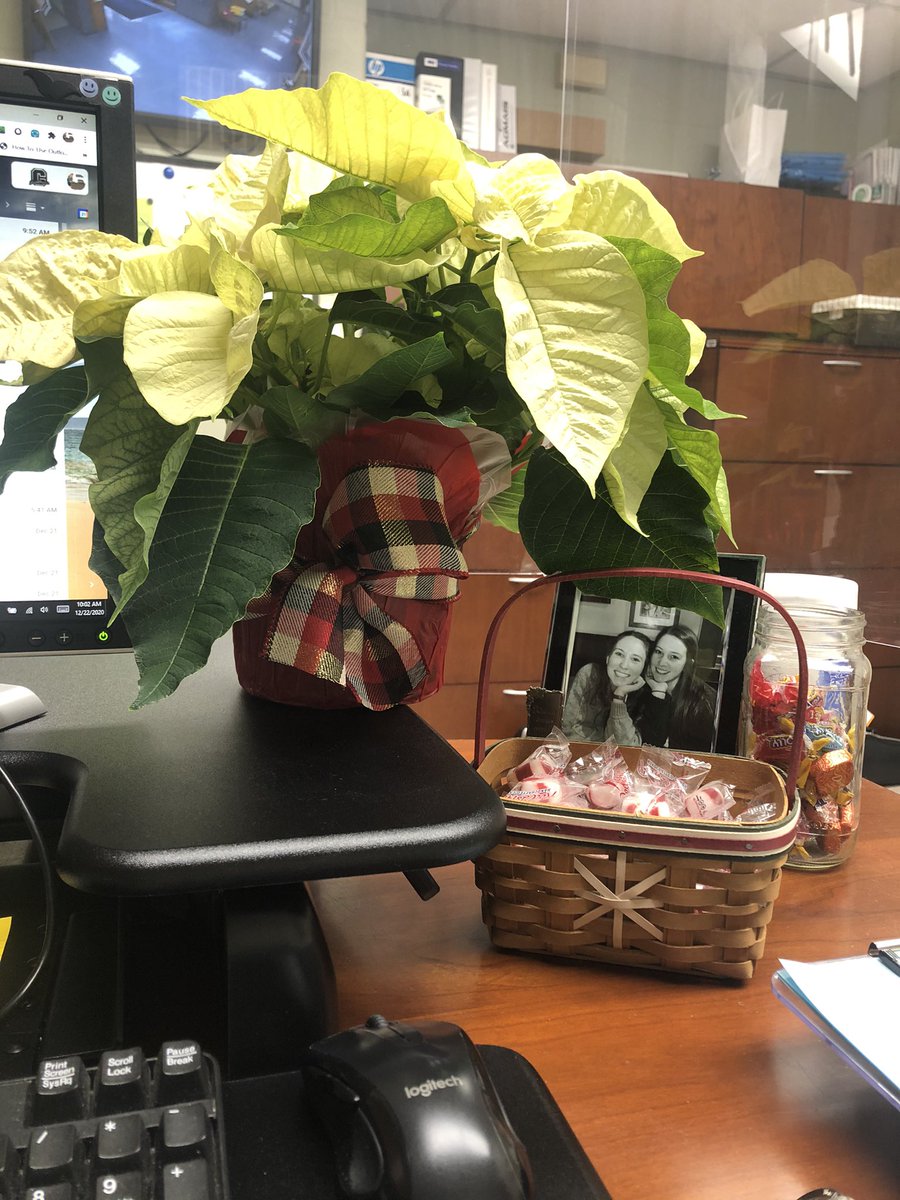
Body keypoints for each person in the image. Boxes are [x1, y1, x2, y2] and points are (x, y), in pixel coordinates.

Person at [561, 630, 652, 745]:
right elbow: (568, 729)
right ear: (608, 658)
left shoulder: (645, 696)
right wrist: (607, 744)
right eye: (619, 654)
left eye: (635, 659)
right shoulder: (590, 674)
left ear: (644, 668)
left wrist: (619, 696)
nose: (624, 665)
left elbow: (627, 747)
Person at [636, 625, 716, 751]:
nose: (662, 662)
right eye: (658, 652)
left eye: (673, 657)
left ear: (688, 662)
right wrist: (658, 692)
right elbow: (648, 743)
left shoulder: (702, 703)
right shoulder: (643, 686)